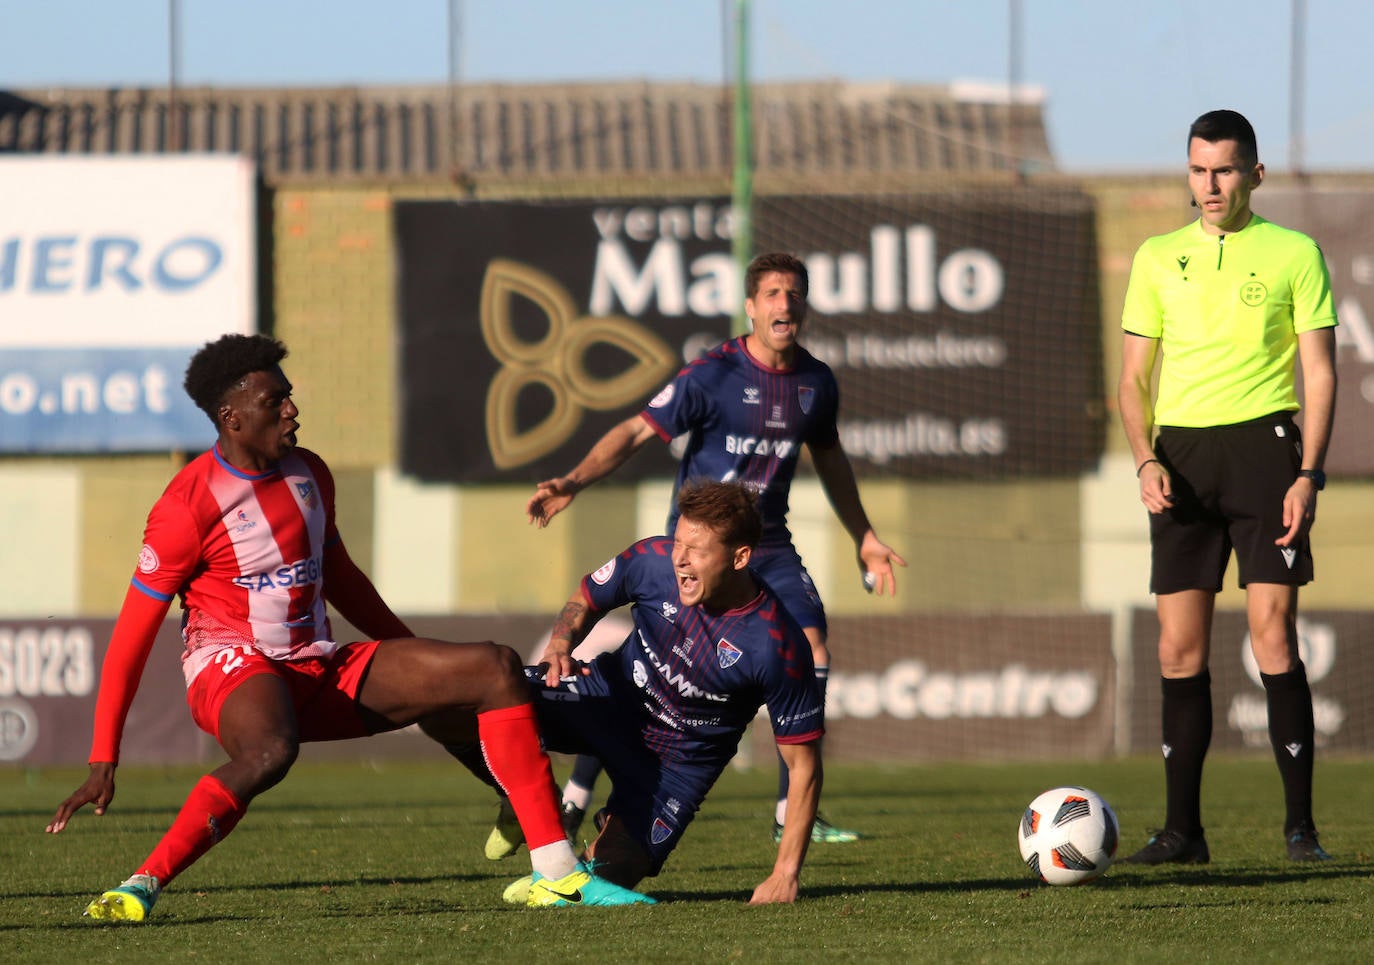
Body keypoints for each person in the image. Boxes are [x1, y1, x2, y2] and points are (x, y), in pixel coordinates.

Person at [45, 333, 654, 920]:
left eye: (289, 395)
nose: (292, 409)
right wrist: (104, 757)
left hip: (319, 662)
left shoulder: (309, 472)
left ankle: (558, 875)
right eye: (274, 401)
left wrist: (412, 654)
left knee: (490, 669)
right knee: (270, 752)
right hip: (232, 668)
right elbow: (131, 637)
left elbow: (341, 578)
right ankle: (140, 885)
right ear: (231, 418)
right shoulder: (186, 508)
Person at [504, 251, 905, 850]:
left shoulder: (816, 382)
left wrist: (865, 537)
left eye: (794, 293)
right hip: (701, 555)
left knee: (812, 642)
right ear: (750, 306)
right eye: (771, 293)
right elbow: (638, 430)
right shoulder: (712, 374)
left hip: (768, 546)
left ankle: (786, 810)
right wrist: (573, 481)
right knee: (652, 678)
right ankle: (575, 798)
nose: (784, 303)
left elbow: (831, 459)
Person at [1117, 109, 1338, 864]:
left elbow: (1319, 373)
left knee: (1272, 634)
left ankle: (1301, 828)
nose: (1209, 184)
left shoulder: (1295, 253)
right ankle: (1184, 833)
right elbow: (1132, 381)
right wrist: (1146, 460)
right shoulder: (1155, 257)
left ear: (1255, 173)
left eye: (1224, 170)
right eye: (1197, 169)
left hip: (1267, 456)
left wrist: (1309, 473)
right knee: (1178, 649)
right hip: (1180, 459)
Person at [498, 479, 825, 903]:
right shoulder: (652, 560)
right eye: (678, 543)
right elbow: (589, 596)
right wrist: (561, 644)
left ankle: (572, 857)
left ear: (740, 556)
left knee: (597, 885)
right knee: (490, 687)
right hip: (608, 697)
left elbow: (803, 765)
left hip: (676, 763)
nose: (680, 560)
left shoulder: (776, 644)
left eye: (697, 551)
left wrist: (785, 874)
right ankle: (516, 796)